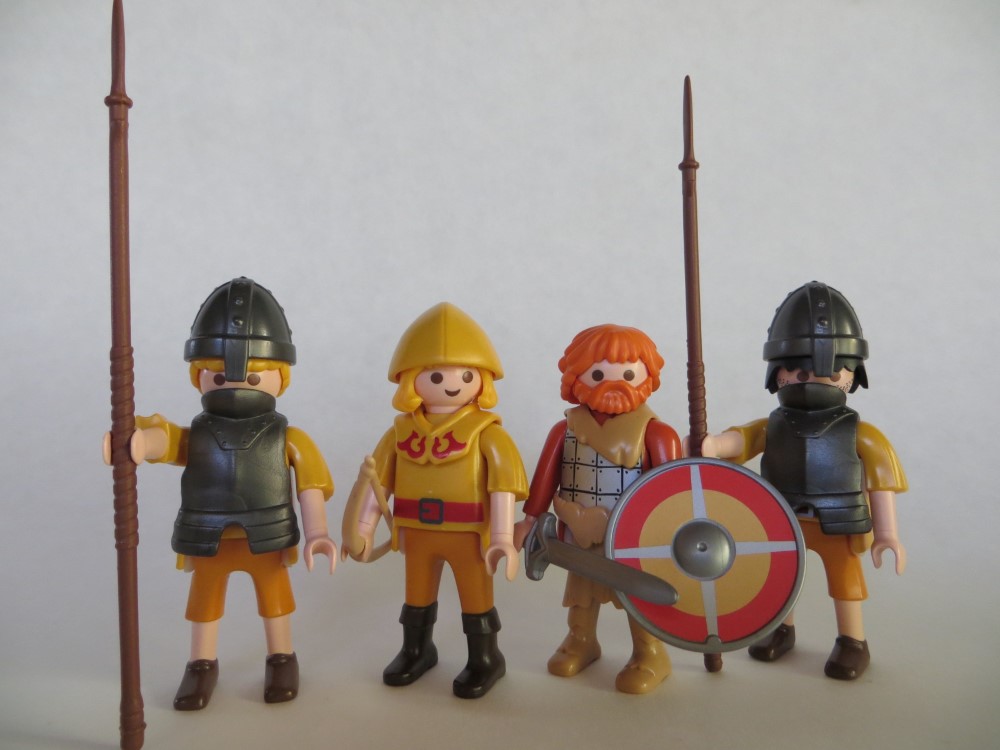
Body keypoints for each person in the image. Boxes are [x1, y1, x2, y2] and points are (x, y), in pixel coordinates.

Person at [121, 277, 336, 709]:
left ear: (280, 377)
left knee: (274, 601)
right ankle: (201, 665)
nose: (236, 386)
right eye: (218, 376)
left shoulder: (288, 437)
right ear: (198, 376)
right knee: (205, 604)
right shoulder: (197, 433)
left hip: (267, 537)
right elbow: (165, 441)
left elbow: (309, 486)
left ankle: (281, 658)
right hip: (209, 536)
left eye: (253, 375)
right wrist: (138, 443)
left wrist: (318, 533)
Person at [700, 281, 907, 680]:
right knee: (782, 577)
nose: (811, 380)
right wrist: (712, 444)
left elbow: (882, 483)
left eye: (831, 373)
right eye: (799, 372)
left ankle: (852, 641)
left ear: (852, 373)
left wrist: (887, 534)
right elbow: (741, 440)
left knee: (844, 581)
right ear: (776, 373)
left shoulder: (860, 433)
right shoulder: (773, 425)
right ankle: (781, 628)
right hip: (782, 518)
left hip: (839, 522)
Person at [342, 302, 527, 699]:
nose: (452, 385)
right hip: (416, 532)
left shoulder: (488, 433)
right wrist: (363, 528)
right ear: (411, 380)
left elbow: (502, 487)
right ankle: (416, 650)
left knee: (475, 597)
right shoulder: (400, 432)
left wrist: (501, 537)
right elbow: (378, 484)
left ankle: (485, 658)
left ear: (483, 379)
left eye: (466, 375)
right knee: (417, 595)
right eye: (437, 376)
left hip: (468, 534)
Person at [513, 324, 681, 694]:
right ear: (577, 378)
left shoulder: (657, 434)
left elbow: (670, 494)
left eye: (628, 375)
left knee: (636, 591)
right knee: (582, 589)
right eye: (599, 375)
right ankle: (581, 640)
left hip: (633, 538)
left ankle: (650, 653)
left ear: (647, 378)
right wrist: (528, 520)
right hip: (577, 530)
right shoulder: (565, 430)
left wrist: (667, 537)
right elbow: (545, 479)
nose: (614, 384)